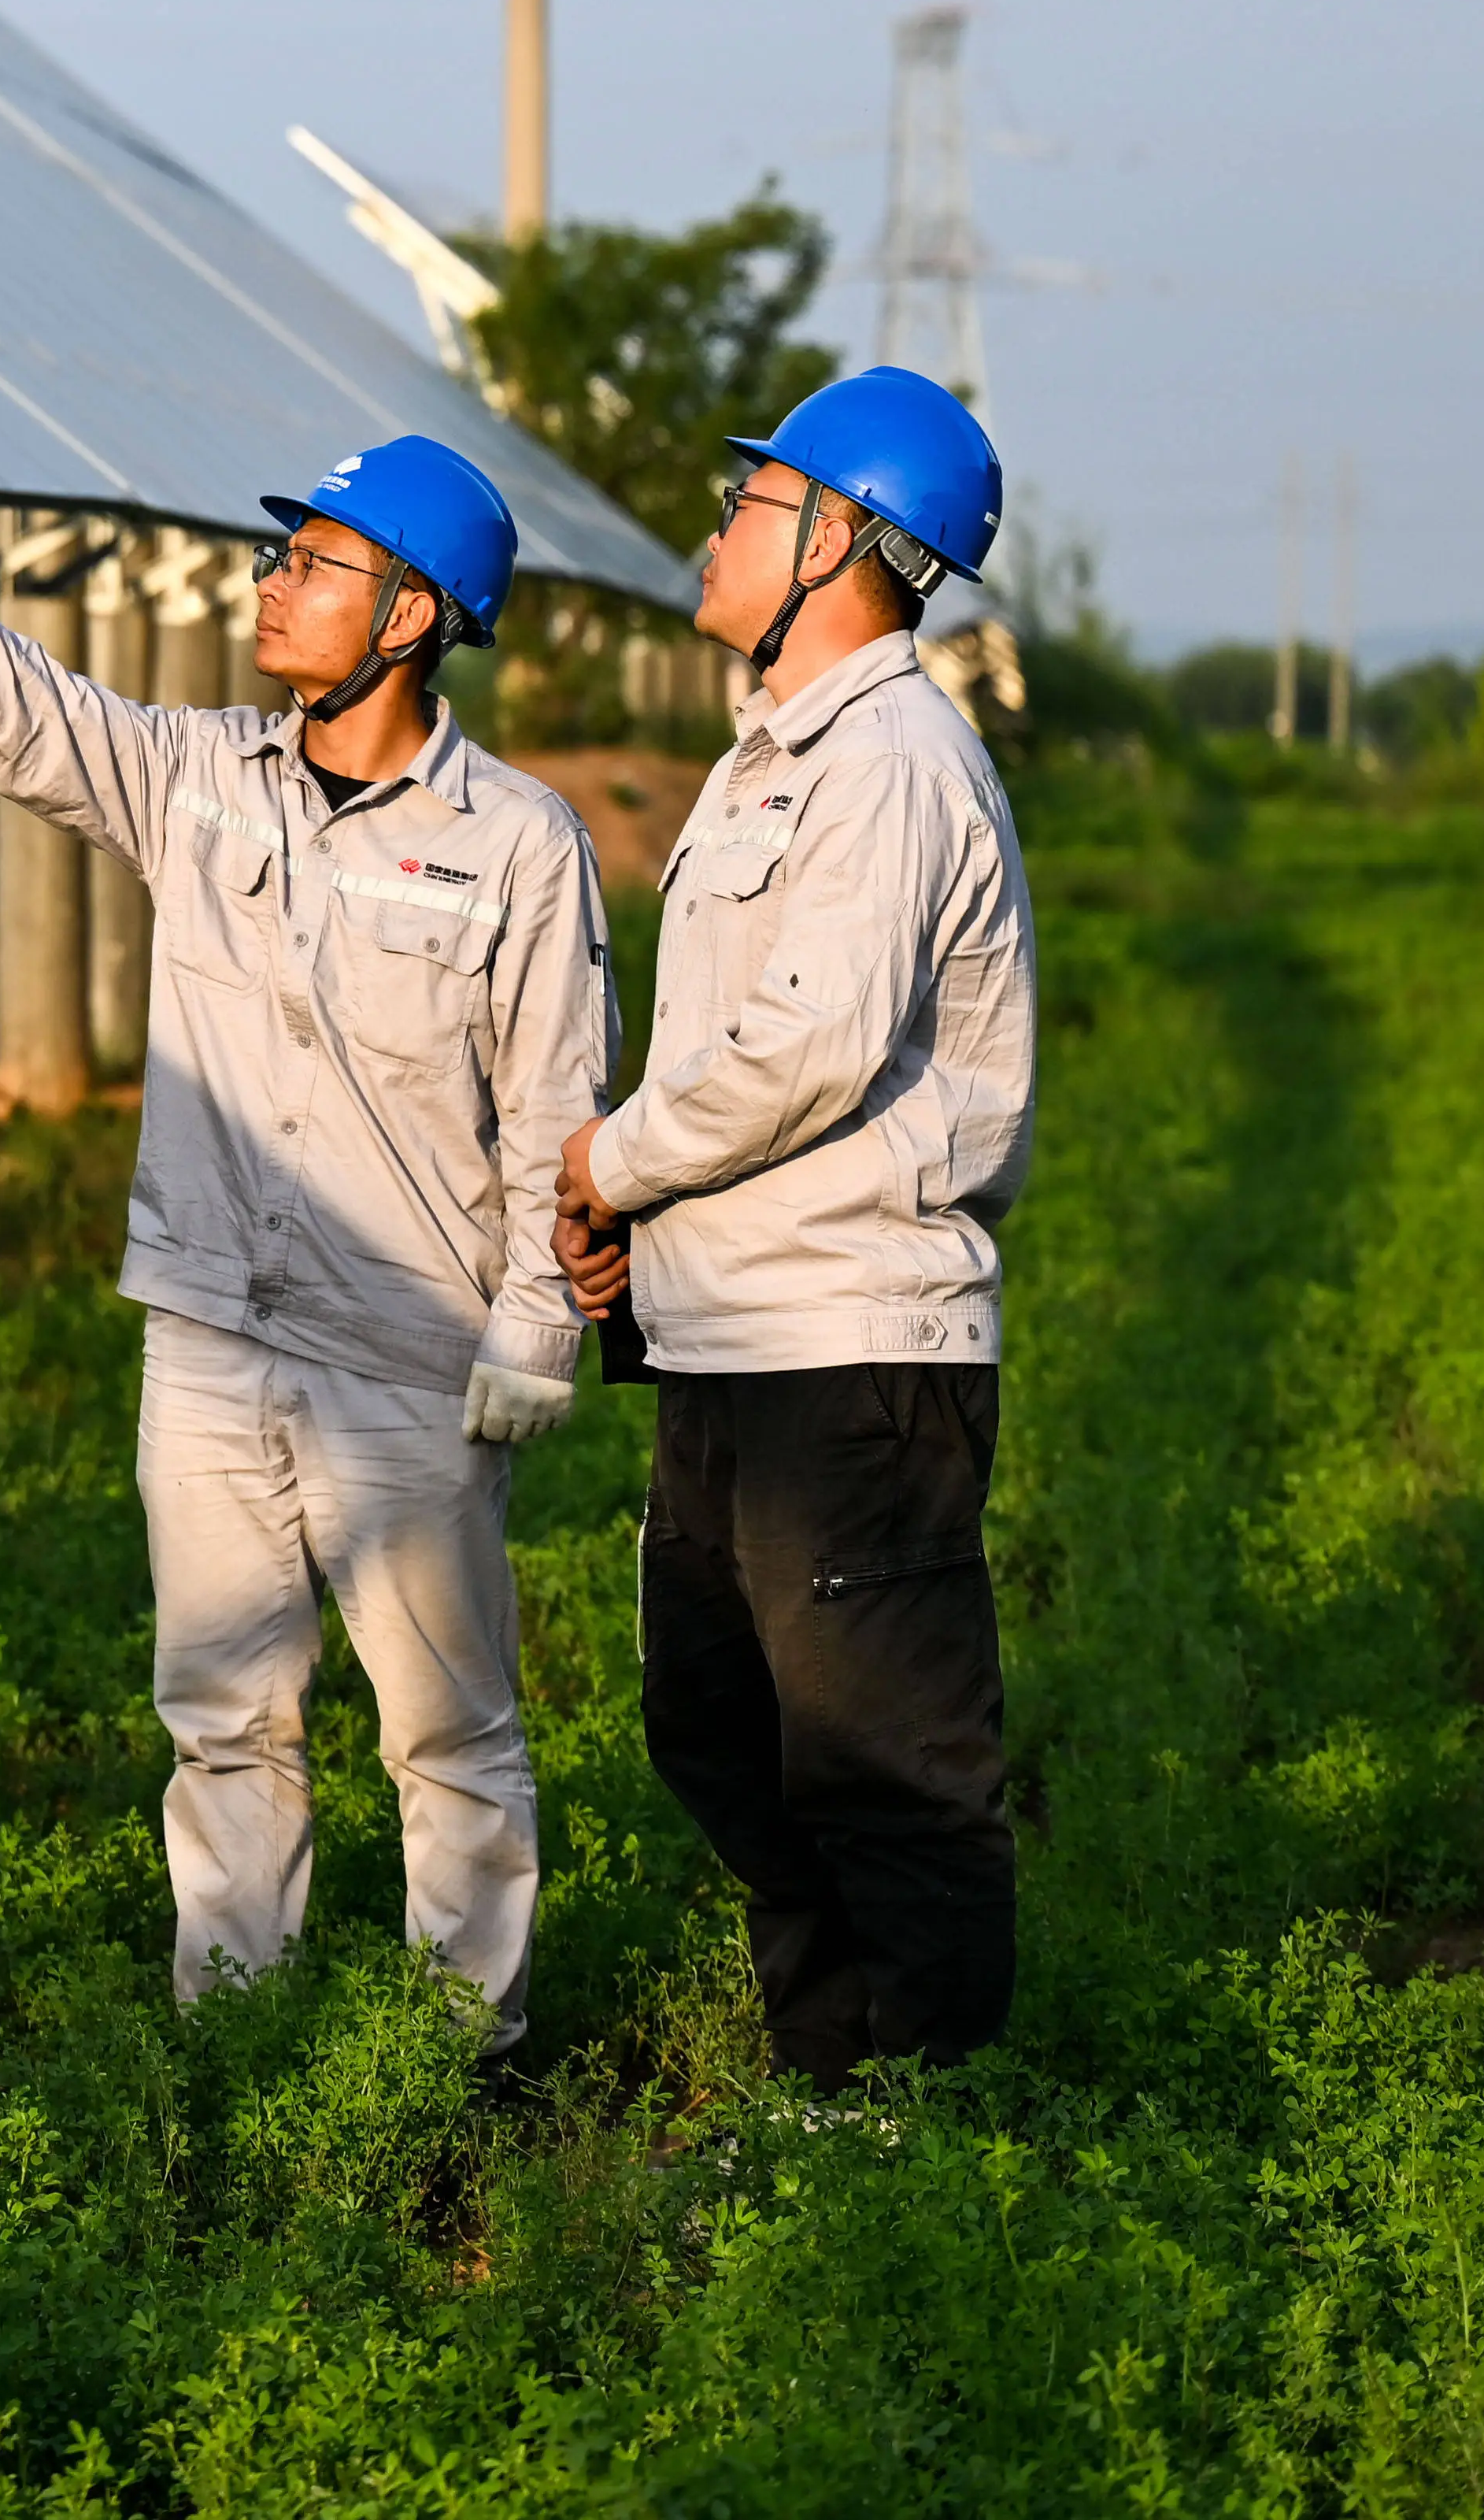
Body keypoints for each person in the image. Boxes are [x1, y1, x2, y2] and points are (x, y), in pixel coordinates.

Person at [0, 436, 610, 2047]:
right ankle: (236, 2046)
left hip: (409, 1357)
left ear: (414, 612)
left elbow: (557, 1115)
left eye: (314, 564)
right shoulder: (203, 774)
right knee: (223, 1717)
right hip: (211, 1332)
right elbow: (23, 708)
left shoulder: (519, 843)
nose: (269, 584)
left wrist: (533, 1336)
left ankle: (461, 2066)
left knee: (445, 1736)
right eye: (278, 556)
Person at [554, 365, 1038, 2077]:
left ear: (842, 536)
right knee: (723, 1734)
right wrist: (640, 1227)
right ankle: (833, 2091)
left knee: (881, 1763)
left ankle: (936, 2128)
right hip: (731, 1340)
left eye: (752, 501)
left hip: (848, 1353)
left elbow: (810, 1045)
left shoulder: (891, 759)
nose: (716, 523)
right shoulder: (768, 759)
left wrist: (608, 1162)